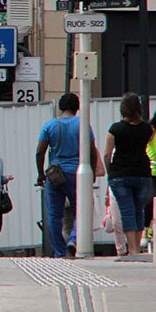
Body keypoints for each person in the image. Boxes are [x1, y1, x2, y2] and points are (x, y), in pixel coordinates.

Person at [36, 93, 99, 258]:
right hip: (76, 173)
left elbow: (39, 152)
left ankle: (59, 251)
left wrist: (40, 174)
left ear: (61, 107)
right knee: (82, 210)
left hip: (55, 174)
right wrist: (91, 171)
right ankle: (73, 240)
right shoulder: (83, 125)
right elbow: (92, 152)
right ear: (77, 108)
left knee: (54, 215)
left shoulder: (50, 126)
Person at [104, 92, 153, 255]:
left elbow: (106, 154)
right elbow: (150, 139)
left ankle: (131, 248)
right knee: (139, 210)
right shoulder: (147, 129)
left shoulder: (115, 129)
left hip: (120, 174)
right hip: (142, 173)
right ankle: (137, 247)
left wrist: (110, 169)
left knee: (127, 211)